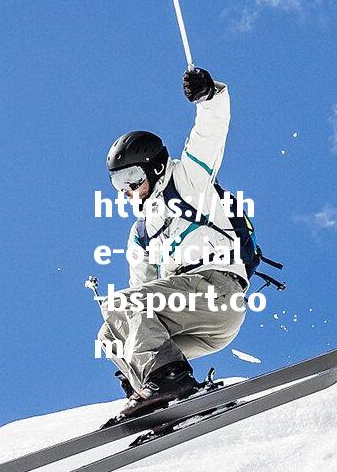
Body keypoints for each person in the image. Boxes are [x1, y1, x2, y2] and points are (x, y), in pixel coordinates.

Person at [98, 65, 249, 418]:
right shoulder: (141, 234)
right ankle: (155, 395)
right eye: (119, 184)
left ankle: (169, 380)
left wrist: (209, 96)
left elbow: (210, 133)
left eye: (133, 177)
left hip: (215, 290)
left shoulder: (187, 181)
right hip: (193, 325)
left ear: (153, 167)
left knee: (122, 305)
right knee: (111, 332)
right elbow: (140, 299)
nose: (128, 190)